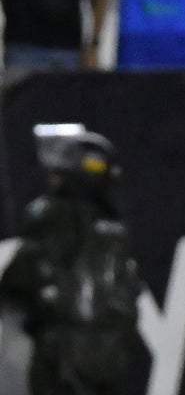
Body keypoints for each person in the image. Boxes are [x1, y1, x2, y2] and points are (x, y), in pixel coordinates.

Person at [0, 124, 143, 395]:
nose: (54, 179)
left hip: (62, 358)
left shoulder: (50, 216)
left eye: (59, 174)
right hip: (109, 358)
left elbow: (16, 281)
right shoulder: (116, 229)